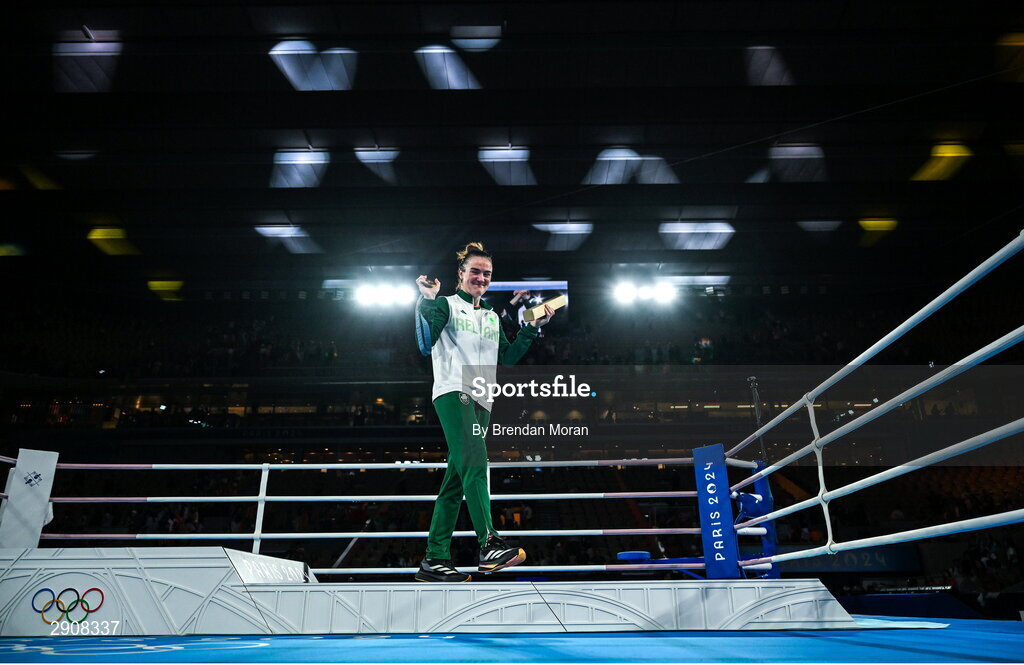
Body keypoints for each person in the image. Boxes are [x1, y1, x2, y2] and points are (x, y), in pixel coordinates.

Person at [413, 242, 554, 582]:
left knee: (456, 480)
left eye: (486, 273)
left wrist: (532, 326)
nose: (481, 277)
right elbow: (423, 342)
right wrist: (427, 299)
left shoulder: (491, 316)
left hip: (482, 400)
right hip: (453, 392)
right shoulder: (445, 304)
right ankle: (488, 543)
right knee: (476, 463)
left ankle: (434, 558)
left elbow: (506, 357)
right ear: (460, 274)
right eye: (475, 271)